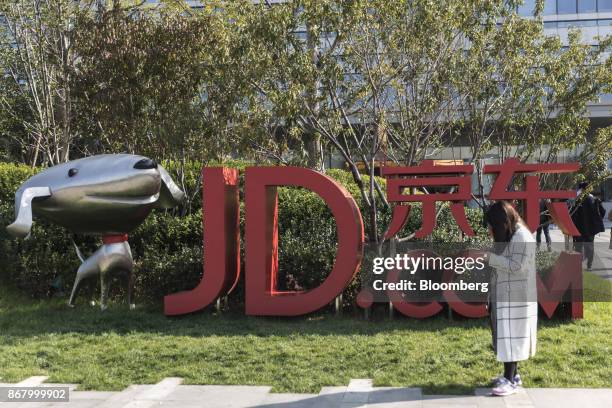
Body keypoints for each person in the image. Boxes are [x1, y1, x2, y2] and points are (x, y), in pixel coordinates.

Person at [485, 201, 537, 397]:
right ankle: (512, 376)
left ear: (502, 223)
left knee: (511, 337)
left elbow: (517, 266)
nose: (490, 231)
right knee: (507, 337)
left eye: (492, 226)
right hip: (507, 295)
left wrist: (489, 258)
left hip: (516, 299)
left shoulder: (522, 237)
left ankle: (510, 380)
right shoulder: (512, 234)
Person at [571, 182, 605, 270]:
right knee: (590, 247)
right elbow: (603, 212)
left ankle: (578, 265)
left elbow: (571, 214)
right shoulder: (594, 199)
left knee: (578, 247)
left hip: (578, 228)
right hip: (591, 229)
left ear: (581, 189)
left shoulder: (577, 200)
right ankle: (589, 266)